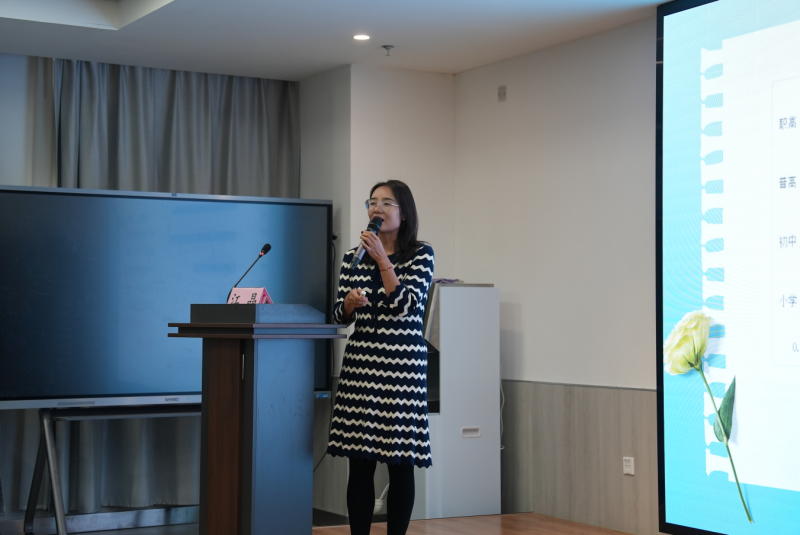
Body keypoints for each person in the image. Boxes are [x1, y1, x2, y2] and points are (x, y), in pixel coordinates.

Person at [327, 180, 434, 535]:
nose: (377, 208)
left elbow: (406, 306)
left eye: (387, 203)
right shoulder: (352, 257)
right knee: (360, 463)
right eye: (372, 202)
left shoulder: (421, 254)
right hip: (361, 364)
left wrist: (382, 260)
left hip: (402, 368)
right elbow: (339, 317)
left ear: (404, 213)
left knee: (400, 463)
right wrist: (349, 303)